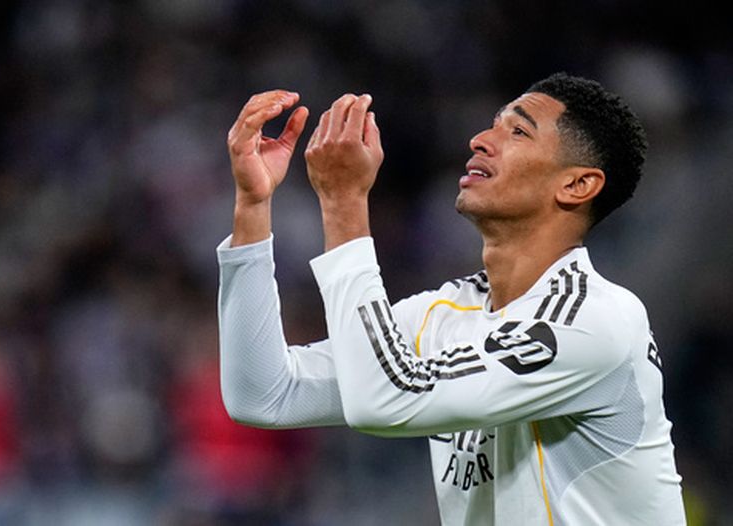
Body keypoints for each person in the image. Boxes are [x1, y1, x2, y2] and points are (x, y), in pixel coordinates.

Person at [217, 73, 686, 525]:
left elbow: (385, 400)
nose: (480, 140)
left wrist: (344, 203)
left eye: (518, 131)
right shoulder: (442, 315)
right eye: (494, 124)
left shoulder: (595, 319)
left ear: (576, 185)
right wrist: (253, 206)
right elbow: (264, 393)